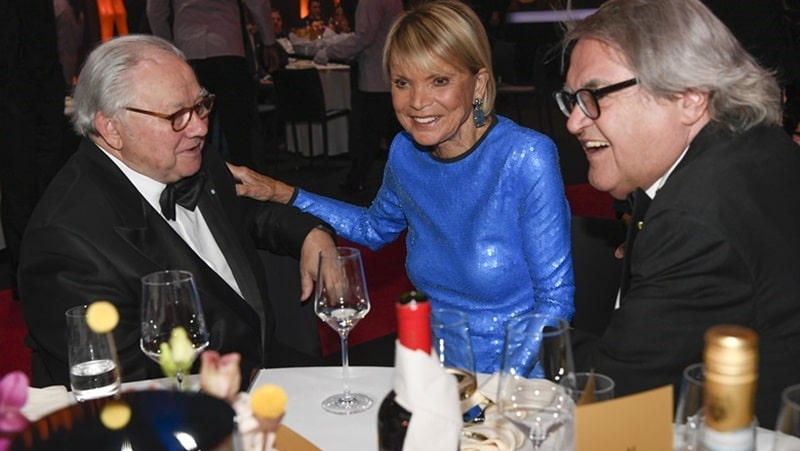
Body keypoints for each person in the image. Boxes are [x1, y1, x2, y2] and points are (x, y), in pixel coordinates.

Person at [231, 0, 575, 374]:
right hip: (434, 372)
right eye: (402, 83)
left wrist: (496, 392)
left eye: (439, 81)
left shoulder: (525, 156)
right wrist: (283, 193)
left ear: (478, 84)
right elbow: (373, 228)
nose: (416, 102)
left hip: (518, 381)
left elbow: (555, 303)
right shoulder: (405, 153)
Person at [18, 35, 337, 389]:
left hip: (265, 366)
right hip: (187, 408)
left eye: (201, 106)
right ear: (112, 128)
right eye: (176, 115)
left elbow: (245, 212)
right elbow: (127, 389)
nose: (200, 128)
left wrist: (310, 232)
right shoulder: (66, 242)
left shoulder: (182, 158)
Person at [556, 0, 800, 426]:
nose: (574, 122)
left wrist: (515, 334)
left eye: (594, 96)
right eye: (573, 100)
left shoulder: (694, 218)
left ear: (688, 99)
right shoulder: (758, 145)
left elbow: (611, 390)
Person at [147, 0, 280, 173]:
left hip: (189, 52)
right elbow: (257, 4)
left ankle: (197, 187)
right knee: (241, 132)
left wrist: (169, 50)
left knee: (192, 128)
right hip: (229, 50)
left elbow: (155, 11)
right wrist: (269, 42)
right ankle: (249, 189)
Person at [0, 0, 66, 301]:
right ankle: (25, 279)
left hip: (46, 87)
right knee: (19, 190)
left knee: (50, 186)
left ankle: (53, 268)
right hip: (11, 93)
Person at [313, 0, 404, 193]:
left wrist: (329, 52)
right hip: (391, 74)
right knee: (394, 136)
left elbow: (364, 37)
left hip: (374, 79)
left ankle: (357, 180)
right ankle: (404, 183)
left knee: (367, 135)